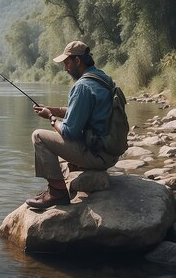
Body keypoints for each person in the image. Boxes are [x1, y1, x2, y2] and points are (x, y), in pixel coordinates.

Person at [25, 40, 119, 210]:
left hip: (98, 156)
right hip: (110, 153)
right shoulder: (103, 78)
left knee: (38, 136)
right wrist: (53, 109)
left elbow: (69, 133)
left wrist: (51, 118)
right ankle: (75, 168)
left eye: (67, 63)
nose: (65, 68)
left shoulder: (82, 87)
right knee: (57, 141)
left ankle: (57, 192)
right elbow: (85, 111)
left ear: (77, 61)